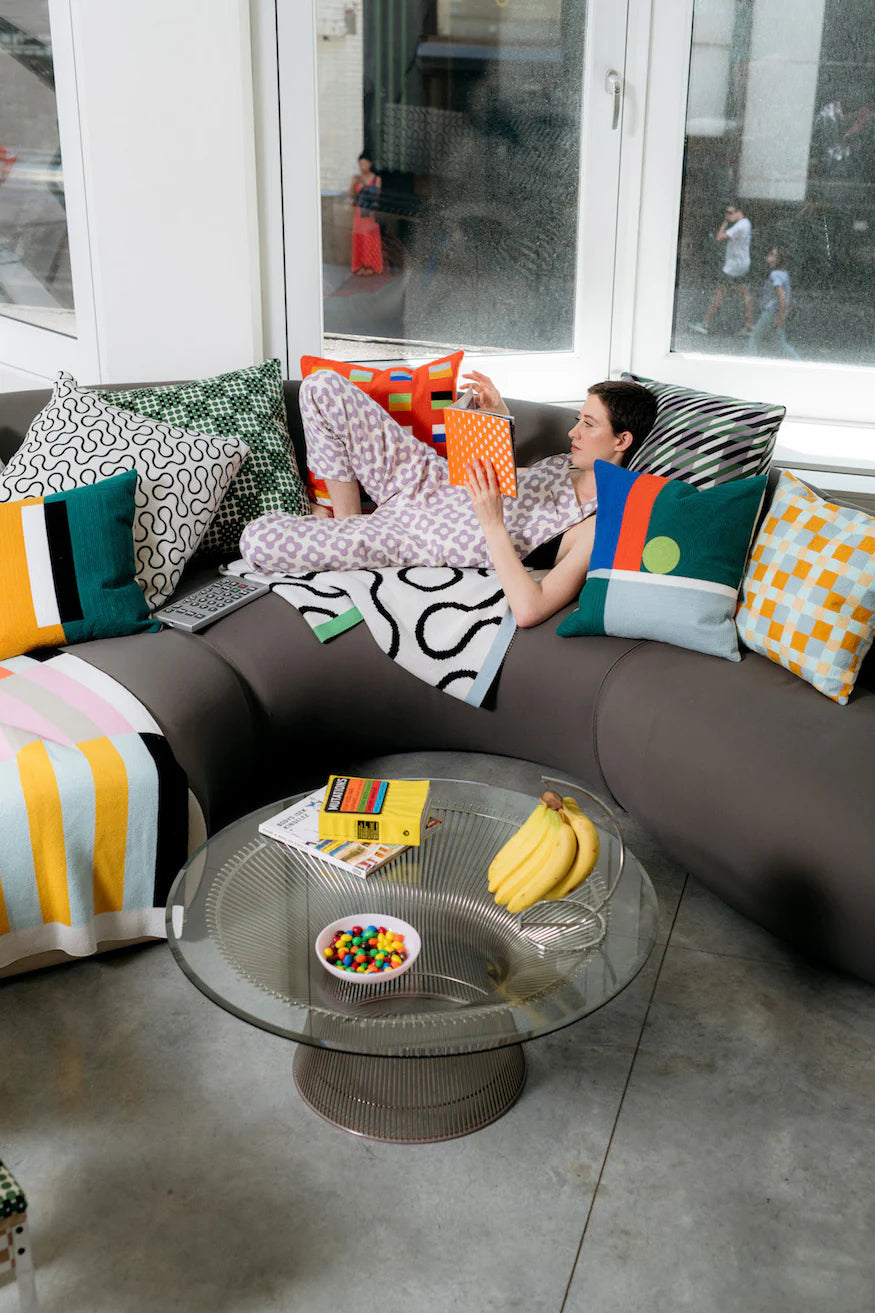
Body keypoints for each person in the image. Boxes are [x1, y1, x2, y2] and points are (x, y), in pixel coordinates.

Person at [239, 369, 657, 628]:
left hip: (417, 534)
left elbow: (531, 608)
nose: (573, 433)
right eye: (577, 420)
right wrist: (496, 414)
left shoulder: (599, 523)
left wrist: (492, 522)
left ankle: (349, 535)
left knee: (256, 541)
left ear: (622, 440)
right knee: (321, 387)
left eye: (587, 425)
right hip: (427, 478)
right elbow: (508, 481)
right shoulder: (572, 462)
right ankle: (345, 523)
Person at [690, 201, 754, 335]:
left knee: (719, 293)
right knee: (745, 294)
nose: (728, 215)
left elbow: (719, 237)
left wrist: (725, 222)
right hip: (741, 263)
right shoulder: (745, 223)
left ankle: (705, 323)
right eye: (726, 213)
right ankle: (749, 325)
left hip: (733, 267)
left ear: (739, 212)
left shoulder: (739, 227)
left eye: (730, 213)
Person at [746, 245, 800, 360]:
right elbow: (786, 296)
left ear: (779, 260)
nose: (769, 257)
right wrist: (785, 312)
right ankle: (798, 361)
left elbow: (782, 296)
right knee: (780, 343)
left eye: (773, 255)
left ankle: (750, 362)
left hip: (772, 312)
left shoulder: (775, 275)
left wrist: (780, 317)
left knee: (754, 338)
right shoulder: (784, 273)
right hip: (778, 311)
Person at [349, 154, 383, 276]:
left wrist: (365, 186)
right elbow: (352, 196)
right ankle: (361, 264)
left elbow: (376, 195)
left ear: (370, 164)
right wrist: (353, 184)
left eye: (365, 163)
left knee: (370, 237)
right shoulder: (356, 178)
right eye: (360, 164)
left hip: (369, 212)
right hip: (359, 212)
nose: (362, 166)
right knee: (360, 237)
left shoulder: (376, 179)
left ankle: (371, 265)